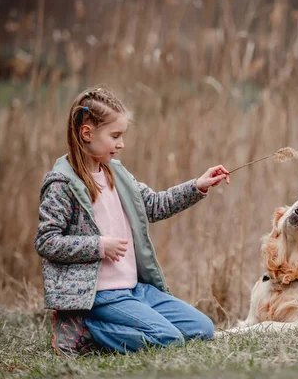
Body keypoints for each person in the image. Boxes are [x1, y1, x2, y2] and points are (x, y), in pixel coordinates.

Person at [34, 87, 230, 356]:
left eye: (122, 135)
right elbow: (46, 241)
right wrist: (99, 246)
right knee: (168, 338)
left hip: (135, 289)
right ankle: (84, 329)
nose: (121, 143)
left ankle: (110, 326)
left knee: (202, 329)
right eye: (115, 136)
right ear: (87, 133)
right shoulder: (61, 184)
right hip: (98, 295)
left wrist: (198, 185)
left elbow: (154, 205)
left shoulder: (118, 174)